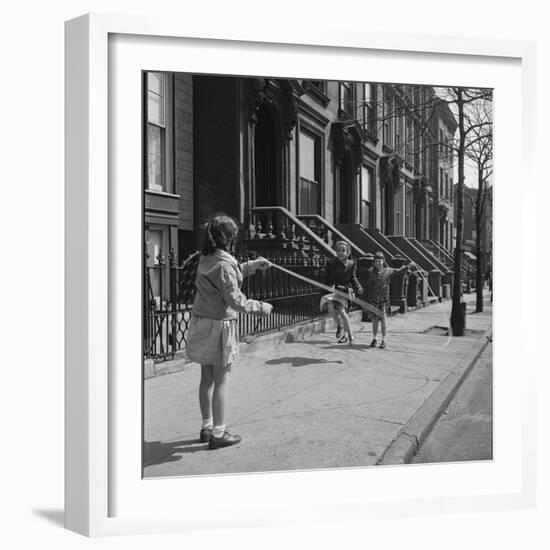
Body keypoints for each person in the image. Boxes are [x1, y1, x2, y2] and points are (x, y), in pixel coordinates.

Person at [186, 214, 273, 449]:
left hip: (202, 322)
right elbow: (235, 299)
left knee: (206, 379)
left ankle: (207, 427)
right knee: (222, 379)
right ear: (228, 238)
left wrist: (253, 266)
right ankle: (219, 433)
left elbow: (225, 279)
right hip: (219, 327)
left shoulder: (206, 258)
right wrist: (261, 307)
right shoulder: (224, 264)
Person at [368, 252, 415, 349]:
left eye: (380, 261)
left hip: (384, 299)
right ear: (374, 262)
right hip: (374, 299)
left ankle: (383, 340)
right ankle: (374, 338)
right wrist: (369, 299)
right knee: (375, 320)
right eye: (376, 261)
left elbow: (399, 271)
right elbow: (369, 286)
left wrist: (408, 266)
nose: (378, 263)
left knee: (383, 319)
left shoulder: (388, 271)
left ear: (383, 261)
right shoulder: (371, 272)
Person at [320, 241, 363, 345]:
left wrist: (358, 287)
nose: (340, 252)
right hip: (333, 290)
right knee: (330, 309)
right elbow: (326, 278)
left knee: (342, 311)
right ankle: (340, 325)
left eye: (343, 250)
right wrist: (327, 287)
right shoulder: (331, 263)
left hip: (345, 291)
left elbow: (353, 278)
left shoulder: (351, 263)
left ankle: (350, 335)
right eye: (338, 250)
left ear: (347, 252)